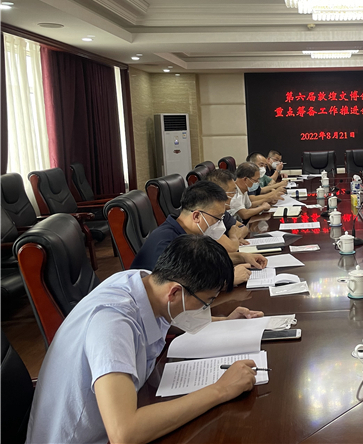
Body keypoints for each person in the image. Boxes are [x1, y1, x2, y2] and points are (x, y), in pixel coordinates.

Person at [26, 235, 264, 444]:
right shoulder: (112, 322)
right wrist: (221, 389)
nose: (205, 309)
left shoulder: (147, 283)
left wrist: (224, 321)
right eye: (206, 302)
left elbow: (171, 317)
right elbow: (124, 434)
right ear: (174, 292)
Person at [130, 181, 266, 282]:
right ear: (196, 216)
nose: (220, 224)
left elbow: (206, 262)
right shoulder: (167, 242)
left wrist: (242, 257)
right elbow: (178, 290)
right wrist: (228, 280)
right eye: (217, 218)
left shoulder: (193, 233)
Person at [205, 169, 250, 244]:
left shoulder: (222, 212)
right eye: (232, 192)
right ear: (218, 194)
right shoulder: (208, 216)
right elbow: (231, 247)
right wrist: (233, 237)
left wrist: (234, 239)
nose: (235, 196)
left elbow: (243, 228)